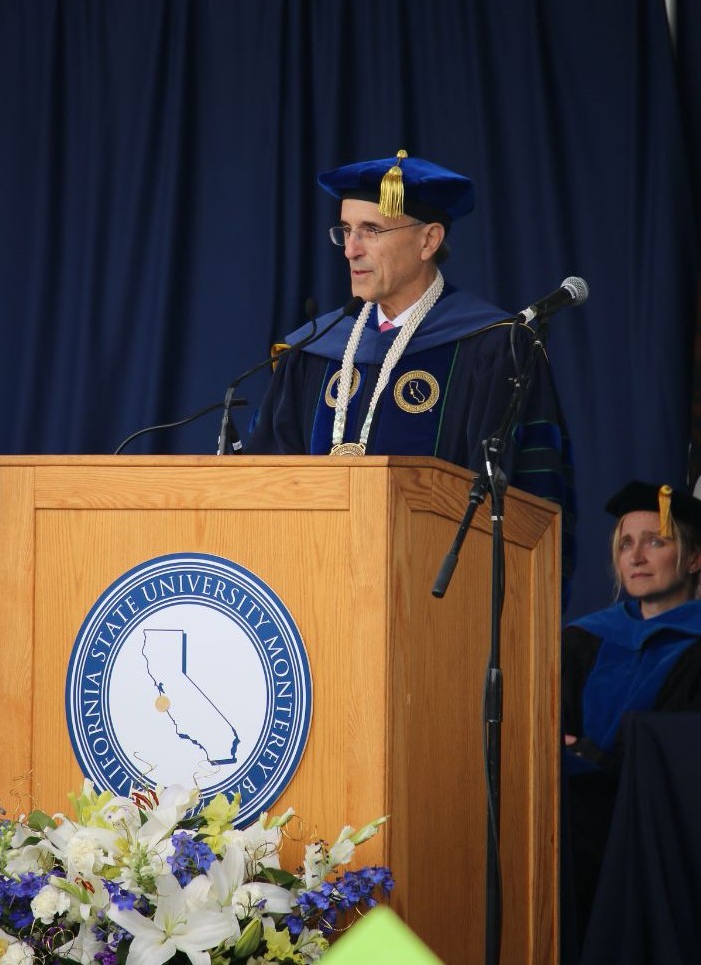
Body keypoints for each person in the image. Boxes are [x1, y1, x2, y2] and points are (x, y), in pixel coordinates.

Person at [245, 149, 575, 583]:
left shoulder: (494, 349)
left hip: (437, 596)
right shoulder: (313, 350)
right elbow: (264, 480)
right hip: (314, 586)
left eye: (371, 231)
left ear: (429, 241)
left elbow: (535, 498)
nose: (351, 250)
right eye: (345, 231)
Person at [562, 480, 701, 951]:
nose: (636, 556)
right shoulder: (582, 640)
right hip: (576, 833)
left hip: (657, 835)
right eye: (625, 545)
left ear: (693, 559)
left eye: (655, 542)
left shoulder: (696, 648)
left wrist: (589, 756)